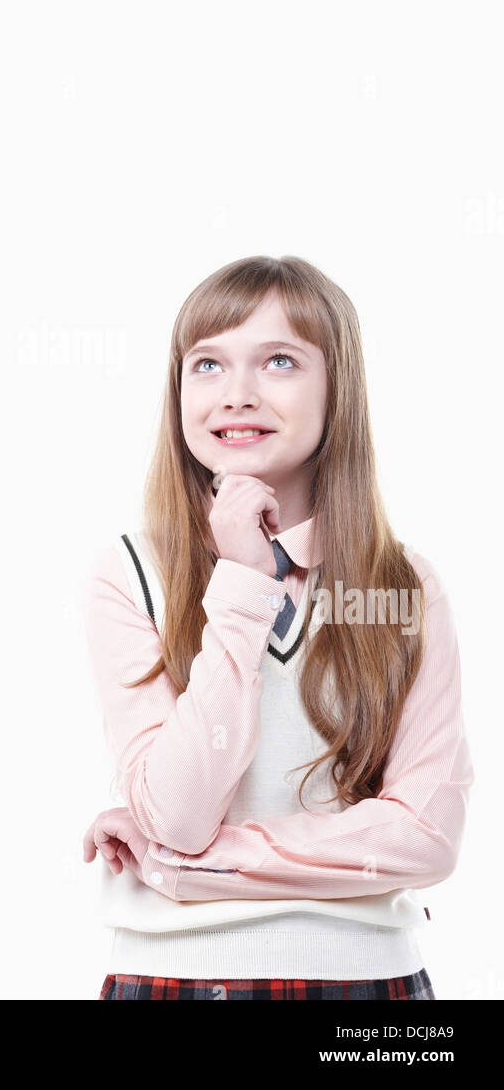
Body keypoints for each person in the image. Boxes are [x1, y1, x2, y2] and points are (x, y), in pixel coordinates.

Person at [81, 254, 473, 1000]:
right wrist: (242, 583)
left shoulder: (402, 588)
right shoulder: (133, 575)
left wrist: (203, 861)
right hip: (174, 978)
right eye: (207, 365)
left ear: (338, 390)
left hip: (368, 985)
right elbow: (178, 812)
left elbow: (426, 835)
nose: (237, 395)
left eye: (279, 361)